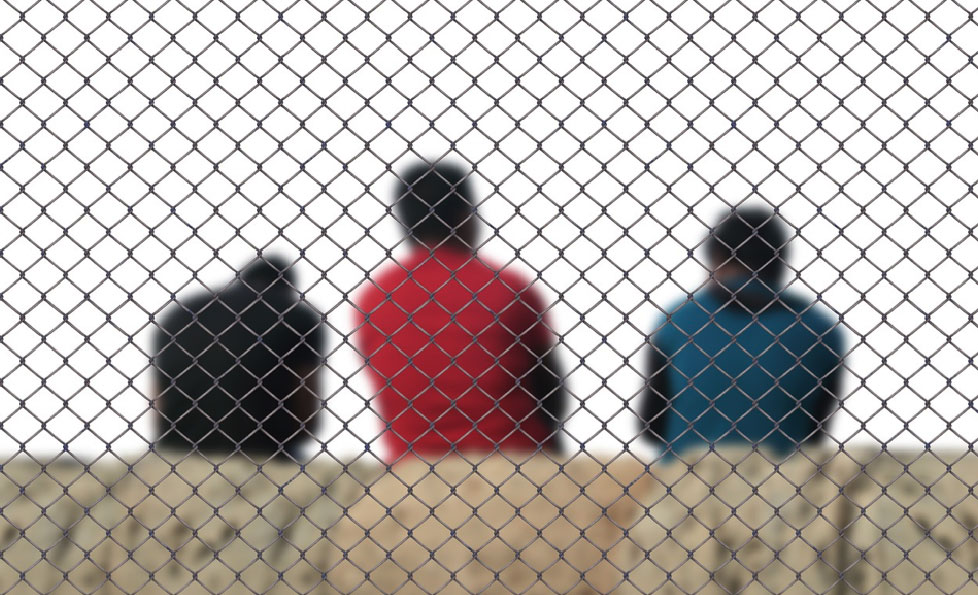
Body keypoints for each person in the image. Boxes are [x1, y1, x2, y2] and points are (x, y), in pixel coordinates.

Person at [353, 160, 567, 462]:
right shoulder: (509, 288)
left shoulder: (375, 298)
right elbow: (549, 389)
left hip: (415, 466)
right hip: (516, 461)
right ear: (466, 215)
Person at [639, 206, 845, 458]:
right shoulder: (821, 331)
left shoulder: (676, 321)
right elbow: (816, 431)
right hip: (783, 485)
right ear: (779, 262)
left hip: (685, 483)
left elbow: (650, 426)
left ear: (717, 257)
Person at [152, 255, 325, 459]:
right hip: (264, 450)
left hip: (178, 450)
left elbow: (158, 397)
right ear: (289, 289)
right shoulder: (296, 317)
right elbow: (305, 407)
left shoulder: (182, 313)